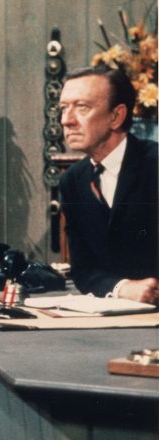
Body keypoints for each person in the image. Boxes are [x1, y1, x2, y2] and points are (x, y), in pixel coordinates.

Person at [58, 65, 158, 303]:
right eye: (63, 108)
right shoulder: (72, 180)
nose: (66, 120)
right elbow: (83, 270)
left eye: (82, 108)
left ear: (116, 116)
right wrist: (123, 287)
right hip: (113, 318)